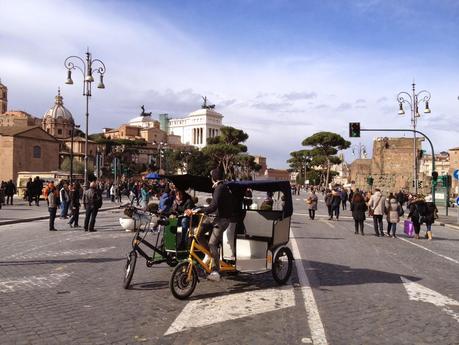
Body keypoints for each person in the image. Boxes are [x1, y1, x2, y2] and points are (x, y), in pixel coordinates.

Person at [185, 167, 232, 282]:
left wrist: (198, 210)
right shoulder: (219, 187)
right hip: (213, 218)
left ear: (213, 178)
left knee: (212, 243)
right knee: (198, 233)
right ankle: (208, 254)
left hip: (222, 220)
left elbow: (213, 206)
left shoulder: (220, 188)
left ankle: (216, 271)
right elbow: (213, 207)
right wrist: (198, 209)